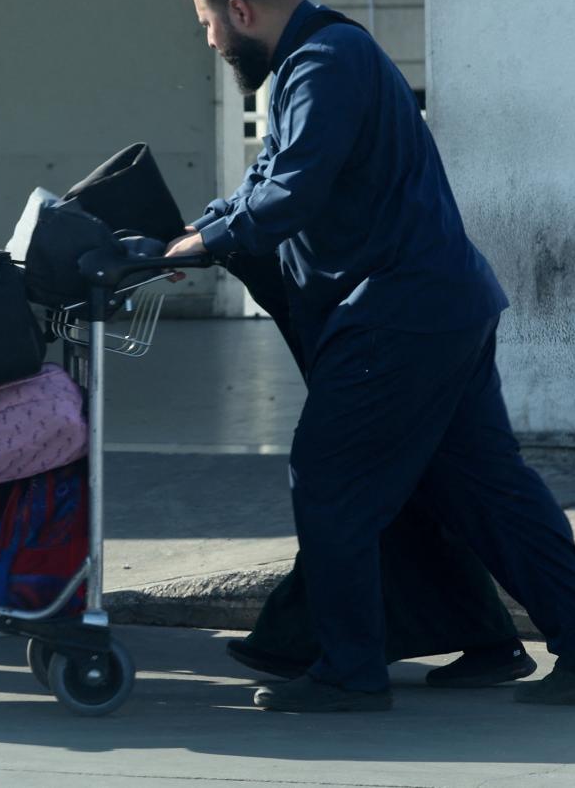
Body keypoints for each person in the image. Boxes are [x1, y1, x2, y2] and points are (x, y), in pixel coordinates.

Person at [165, 0, 575, 712]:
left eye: (209, 25)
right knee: (486, 490)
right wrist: (197, 230)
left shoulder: (322, 65)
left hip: (398, 317)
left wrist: (211, 240)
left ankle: (350, 673)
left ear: (240, 10)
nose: (211, 40)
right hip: (443, 307)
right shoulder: (326, 57)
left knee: (331, 479)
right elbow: (269, 178)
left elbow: (294, 190)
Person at [221, 252, 536, 689]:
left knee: (348, 494)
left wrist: (220, 233)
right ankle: (494, 640)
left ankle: (332, 658)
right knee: (406, 496)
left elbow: (284, 196)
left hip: (392, 320)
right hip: (395, 314)